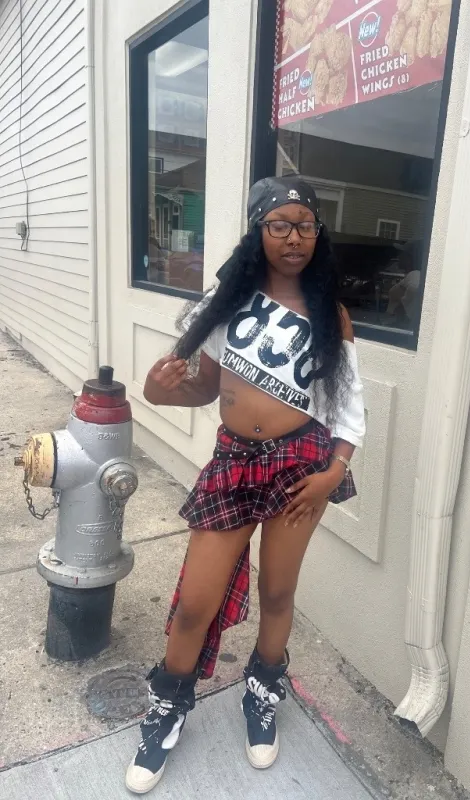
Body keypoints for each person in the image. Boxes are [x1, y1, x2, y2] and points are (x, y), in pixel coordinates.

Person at [125, 176, 365, 794]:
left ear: (318, 234)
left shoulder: (331, 315)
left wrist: (332, 473)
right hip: (235, 461)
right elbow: (203, 388)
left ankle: (262, 692)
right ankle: (168, 707)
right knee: (194, 603)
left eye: (305, 226)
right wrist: (158, 389)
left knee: (279, 592)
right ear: (259, 232)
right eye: (280, 225)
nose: (294, 238)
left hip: (301, 466)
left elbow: (347, 410)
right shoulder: (228, 302)